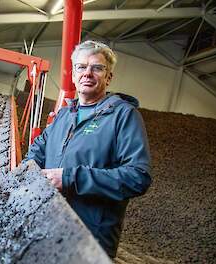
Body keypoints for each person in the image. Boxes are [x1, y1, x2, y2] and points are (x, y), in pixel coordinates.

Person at [24, 40, 152, 258]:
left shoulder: (123, 116)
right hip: (47, 225)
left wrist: (70, 178)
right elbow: (38, 149)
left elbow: (138, 177)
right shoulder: (66, 114)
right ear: (74, 75)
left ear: (109, 77)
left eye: (97, 68)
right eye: (81, 67)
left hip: (89, 238)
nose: (88, 73)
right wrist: (26, 170)